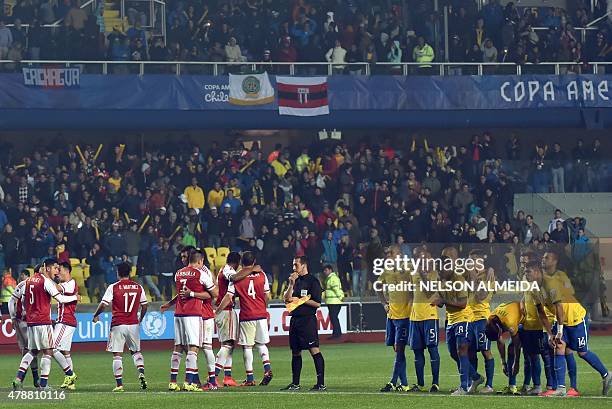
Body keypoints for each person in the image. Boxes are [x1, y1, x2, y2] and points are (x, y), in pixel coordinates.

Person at [535, 253, 612, 397]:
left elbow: (560, 307)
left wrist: (558, 330)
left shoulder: (551, 282)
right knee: (560, 348)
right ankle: (561, 388)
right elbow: (541, 312)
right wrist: (551, 333)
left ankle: (606, 374)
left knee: (582, 352)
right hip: (562, 321)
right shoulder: (536, 288)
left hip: (576, 319)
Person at [12, 258, 79, 390]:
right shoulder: (46, 282)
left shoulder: (28, 281)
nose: (56, 271)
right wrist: (75, 297)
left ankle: (19, 378)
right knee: (48, 352)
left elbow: (17, 299)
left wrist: (17, 315)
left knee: (33, 351)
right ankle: (44, 384)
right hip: (43, 321)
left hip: (31, 322)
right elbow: (59, 298)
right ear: (47, 268)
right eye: (55, 268)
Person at [160, 250, 216, 391]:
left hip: (178, 313)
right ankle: (188, 382)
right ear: (200, 261)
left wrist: (169, 304)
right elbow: (215, 294)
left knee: (178, 347)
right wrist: (195, 294)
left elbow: (180, 294)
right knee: (193, 347)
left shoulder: (178, 273)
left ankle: (173, 382)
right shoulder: (201, 273)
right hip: (193, 314)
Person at [431, 247, 484, 395]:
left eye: (441, 269)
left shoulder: (458, 279)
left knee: (462, 350)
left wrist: (443, 300)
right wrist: (437, 301)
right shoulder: (440, 280)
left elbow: (462, 304)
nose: (439, 272)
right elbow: (442, 301)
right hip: (451, 320)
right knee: (454, 354)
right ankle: (476, 377)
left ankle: (462, 387)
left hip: (464, 318)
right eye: (437, 269)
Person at [217, 251, 273, 386]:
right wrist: (263, 309)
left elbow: (229, 296)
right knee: (261, 344)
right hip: (261, 314)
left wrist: (217, 310)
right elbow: (267, 296)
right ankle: (267, 369)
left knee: (247, 347)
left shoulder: (238, 278)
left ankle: (250, 378)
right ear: (254, 262)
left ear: (242, 263)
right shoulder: (262, 274)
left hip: (247, 315)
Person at [92, 262, 148, 392]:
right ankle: (141, 372)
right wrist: (140, 318)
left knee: (117, 355)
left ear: (118, 273)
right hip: (133, 324)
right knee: (136, 352)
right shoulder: (138, 287)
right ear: (130, 272)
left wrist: (95, 315)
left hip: (118, 324)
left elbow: (103, 304)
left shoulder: (113, 287)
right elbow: (145, 306)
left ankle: (119, 385)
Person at [281, 256, 326, 391]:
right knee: (295, 352)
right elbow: (286, 300)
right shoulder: (294, 281)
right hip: (295, 320)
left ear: (304, 265)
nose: (294, 268)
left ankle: (321, 384)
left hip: (307, 320)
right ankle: (295, 383)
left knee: (314, 350)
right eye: (293, 265)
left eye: (296, 265)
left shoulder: (313, 281)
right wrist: (290, 284)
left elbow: (317, 303)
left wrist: (300, 300)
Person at [377, 245, 412, 392]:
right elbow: (378, 286)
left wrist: (412, 303)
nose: (388, 256)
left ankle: (392, 382)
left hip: (404, 315)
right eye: (387, 254)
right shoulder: (386, 271)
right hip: (391, 316)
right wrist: (384, 302)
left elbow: (417, 286)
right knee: (398, 351)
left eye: (391, 253)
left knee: (400, 350)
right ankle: (404, 384)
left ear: (399, 254)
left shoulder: (409, 268)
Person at [408, 246, 440, 392]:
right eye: (420, 259)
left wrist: (422, 273)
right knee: (417, 351)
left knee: (432, 349)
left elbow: (429, 292)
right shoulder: (414, 273)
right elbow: (410, 291)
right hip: (415, 318)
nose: (423, 262)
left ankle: (435, 383)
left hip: (430, 317)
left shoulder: (434, 274)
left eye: (425, 259)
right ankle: (420, 384)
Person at [466, 250, 496, 393]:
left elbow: (482, 296)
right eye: (469, 261)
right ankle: (474, 383)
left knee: (485, 351)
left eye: (474, 261)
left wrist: (474, 280)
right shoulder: (469, 275)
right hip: (468, 318)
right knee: (470, 352)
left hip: (482, 319)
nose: (471, 263)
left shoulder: (487, 275)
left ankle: (489, 385)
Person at [8, 268, 39, 388]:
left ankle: (24, 380)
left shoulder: (21, 285)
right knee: (33, 351)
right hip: (29, 323)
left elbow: (11, 302)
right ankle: (21, 379)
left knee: (27, 352)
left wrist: (12, 318)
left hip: (20, 322)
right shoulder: (38, 285)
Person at [485, 301, 524, 395]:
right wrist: (503, 362)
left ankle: (527, 386)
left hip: (526, 320)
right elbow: (500, 341)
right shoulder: (491, 319)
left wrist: (517, 362)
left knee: (526, 353)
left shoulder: (509, 322)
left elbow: (517, 344)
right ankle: (512, 386)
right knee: (511, 350)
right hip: (512, 315)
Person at [52, 262, 79, 390]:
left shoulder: (70, 283)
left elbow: (56, 289)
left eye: (60, 269)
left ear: (67, 271)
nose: (58, 272)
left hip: (65, 321)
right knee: (65, 352)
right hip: (66, 321)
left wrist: (46, 279)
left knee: (52, 348)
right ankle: (71, 383)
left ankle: (70, 374)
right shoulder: (68, 284)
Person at [322, 264, 343, 339]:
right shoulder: (330, 278)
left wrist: (341, 297)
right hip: (332, 301)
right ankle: (336, 334)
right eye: (324, 270)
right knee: (333, 318)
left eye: (326, 270)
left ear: (330, 270)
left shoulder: (333, 278)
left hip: (335, 301)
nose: (325, 272)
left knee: (334, 317)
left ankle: (337, 334)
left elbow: (336, 289)